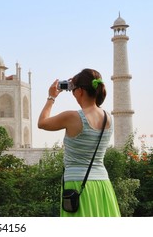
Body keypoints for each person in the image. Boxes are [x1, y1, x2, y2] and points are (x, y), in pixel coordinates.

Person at [38, 68, 120, 217]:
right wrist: (77, 82)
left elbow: (42, 123)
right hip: (103, 184)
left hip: (76, 185)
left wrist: (51, 97)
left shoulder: (72, 117)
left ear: (81, 91)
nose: (73, 94)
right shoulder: (108, 118)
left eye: (73, 90)